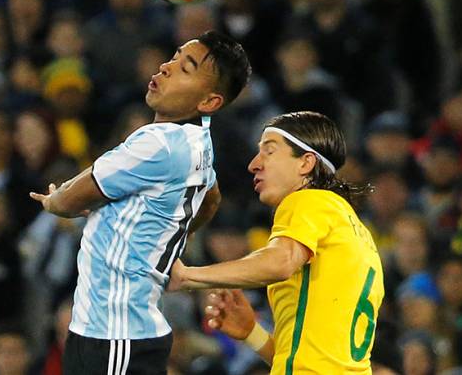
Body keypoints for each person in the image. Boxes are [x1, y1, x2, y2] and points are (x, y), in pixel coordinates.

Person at [30, 31, 251, 374]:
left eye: (186, 68)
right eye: (175, 56)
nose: (166, 67)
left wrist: (53, 199)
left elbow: (69, 202)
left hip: (113, 335)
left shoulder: (157, 144)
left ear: (209, 102)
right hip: (122, 331)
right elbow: (210, 199)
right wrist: (167, 234)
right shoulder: (198, 141)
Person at [168, 111, 384, 374]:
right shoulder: (357, 232)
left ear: (306, 163)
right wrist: (252, 333)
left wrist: (188, 276)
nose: (254, 164)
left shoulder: (308, 200)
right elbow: (308, 359)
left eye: (269, 151)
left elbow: (280, 261)